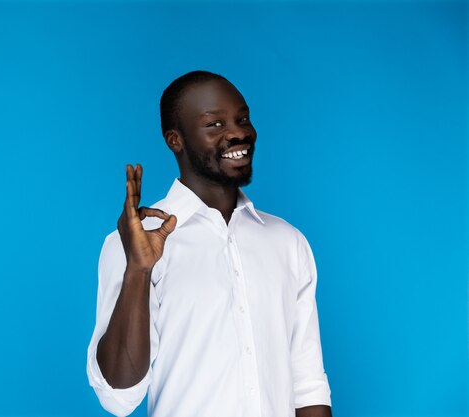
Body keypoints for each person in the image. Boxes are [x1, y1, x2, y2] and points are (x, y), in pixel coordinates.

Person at [86, 70, 332, 417]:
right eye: (215, 124)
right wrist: (138, 270)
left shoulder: (287, 241)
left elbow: (307, 383)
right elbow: (118, 397)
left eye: (242, 118)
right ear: (176, 140)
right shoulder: (134, 243)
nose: (238, 133)